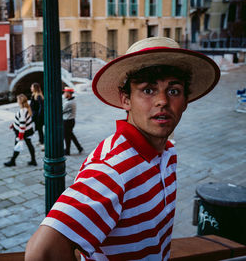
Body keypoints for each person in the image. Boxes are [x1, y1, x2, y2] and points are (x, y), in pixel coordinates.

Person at [25, 37, 220, 260]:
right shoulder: (112, 169)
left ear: (185, 101)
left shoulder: (168, 152)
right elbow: (42, 252)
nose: (162, 101)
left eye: (173, 91)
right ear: (126, 100)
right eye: (148, 90)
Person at [4, 94, 37, 167]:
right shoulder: (27, 109)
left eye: (17, 100)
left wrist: (20, 136)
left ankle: (12, 161)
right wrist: (13, 124)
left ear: (19, 102)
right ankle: (33, 160)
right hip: (28, 131)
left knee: (17, 146)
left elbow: (22, 125)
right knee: (29, 145)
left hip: (23, 132)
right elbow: (22, 121)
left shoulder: (22, 111)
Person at [62, 87, 83, 156]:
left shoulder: (68, 103)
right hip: (71, 121)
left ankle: (67, 151)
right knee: (71, 135)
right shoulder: (72, 101)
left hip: (67, 121)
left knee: (67, 137)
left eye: (65, 92)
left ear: (69, 93)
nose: (64, 94)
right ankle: (79, 148)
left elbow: (61, 111)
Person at [30, 83, 44, 149]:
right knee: (39, 129)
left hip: (38, 116)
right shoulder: (34, 95)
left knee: (39, 128)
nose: (31, 88)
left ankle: (42, 142)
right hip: (35, 115)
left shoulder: (38, 96)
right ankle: (41, 140)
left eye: (32, 87)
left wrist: (39, 115)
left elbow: (41, 106)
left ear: (35, 88)